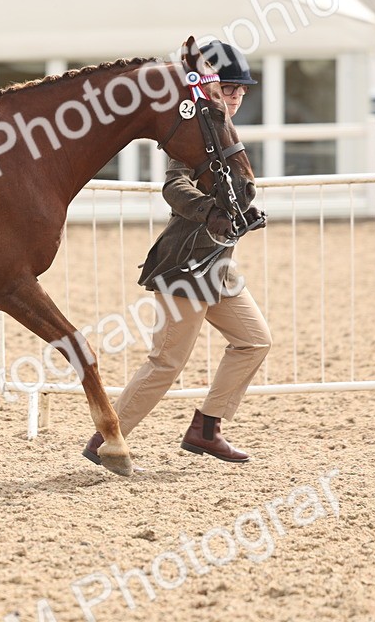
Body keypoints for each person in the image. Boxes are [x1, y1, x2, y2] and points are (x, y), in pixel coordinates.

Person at [84, 39, 272, 466]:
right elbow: (175, 186)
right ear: (208, 89)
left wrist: (242, 212)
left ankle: (206, 429)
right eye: (228, 88)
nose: (236, 96)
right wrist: (209, 212)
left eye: (241, 90)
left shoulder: (225, 133)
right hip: (186, 264)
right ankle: (106, 439)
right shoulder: (195, 134)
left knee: (254, 341)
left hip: (219, 268)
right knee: (166, 362)